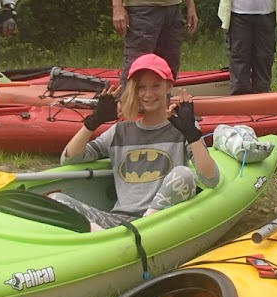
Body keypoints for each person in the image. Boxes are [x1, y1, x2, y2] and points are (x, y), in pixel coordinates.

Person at [50, 53, 220, 231]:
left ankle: (139, 229)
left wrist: (192, 134)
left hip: (160, 218)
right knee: (56, 200)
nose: (148, 94)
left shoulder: (182, 128)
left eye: (156, 86)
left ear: (169, 86)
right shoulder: (120, 131)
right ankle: (106, 236)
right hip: (119, 220)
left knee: (184, 174)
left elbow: (211, 180)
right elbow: (69, 159)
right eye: (141, 87)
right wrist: (93, 121)